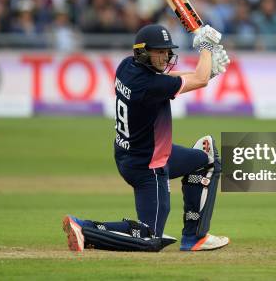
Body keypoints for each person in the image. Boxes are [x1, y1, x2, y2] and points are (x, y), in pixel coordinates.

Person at [63, 24, 230, 252]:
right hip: (148, 166)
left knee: (205, 160)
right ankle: (84, 228)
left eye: (166, 51)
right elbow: (195, 81)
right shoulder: (150, 86)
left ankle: (195, 237)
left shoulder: (126, 67)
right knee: (150, 238)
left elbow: (172, 78)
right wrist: (206, 49)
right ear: (143, 52)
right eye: (158, 52)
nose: (164, 57)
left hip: (134, 154)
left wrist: (205, 71)